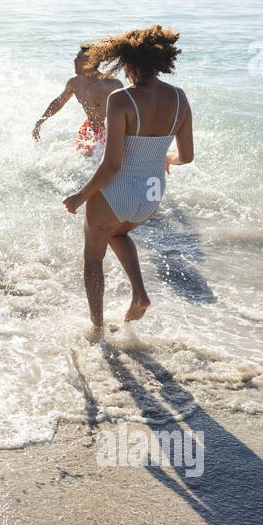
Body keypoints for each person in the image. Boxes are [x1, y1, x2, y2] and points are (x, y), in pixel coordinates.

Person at [61, 26, 193, 338]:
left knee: (93, 258)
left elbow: (112, 164)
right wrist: (166, 159)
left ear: (130, 65)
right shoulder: (179, 98)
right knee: (118, 234)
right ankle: (139, 294)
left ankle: (97, 330)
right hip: (151, 196)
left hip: (117, 190)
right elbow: (185, 156)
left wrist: (80, 196)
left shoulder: (121, 99)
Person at [32, 43, 123, 155]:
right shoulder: (74, 83)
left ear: (90, 62)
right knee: (80, 160)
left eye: (79, 58)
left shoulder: (111, 84)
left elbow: (128, 109)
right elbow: (58, 102)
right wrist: (40, 121)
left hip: (108, 131)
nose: (74, 61)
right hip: (88, 128)